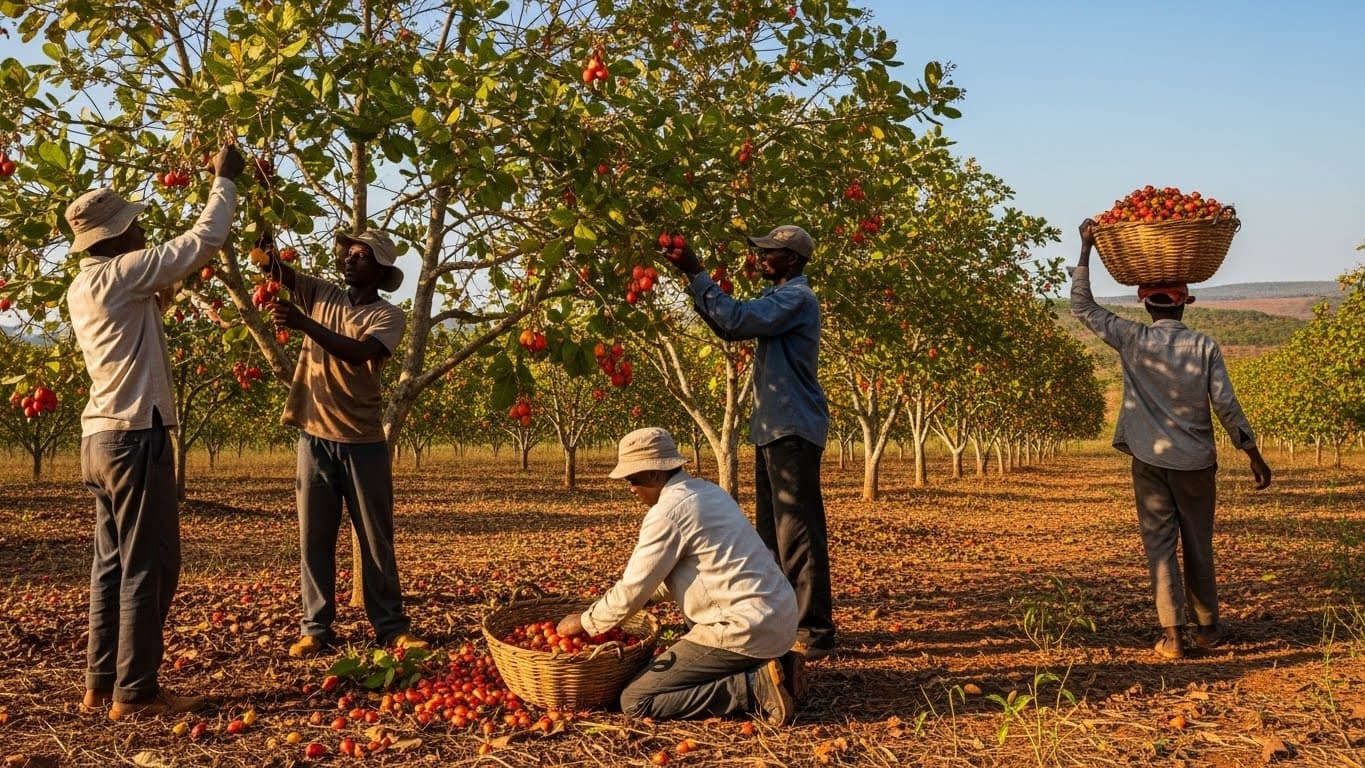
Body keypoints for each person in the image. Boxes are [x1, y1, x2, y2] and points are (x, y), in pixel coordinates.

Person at [65, 144, 245, 720]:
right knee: (152, 564)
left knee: (111, 566)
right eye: (134, 226)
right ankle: (137, 692)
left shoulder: (85, 286)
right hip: (135, 436)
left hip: (99, 439)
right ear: (114, 239)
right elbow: (202, 242)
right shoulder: (123, 273)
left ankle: (100, 684)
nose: (141, 231)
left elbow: (151, 298)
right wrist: (224, 181)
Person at [1071, 219, 1273, 659]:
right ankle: (1208, 629)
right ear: (1185, 306)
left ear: (1146, 306)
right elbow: (1225, 405)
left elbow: (1083, 307)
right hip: (1197, 463)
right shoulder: (1204, 347)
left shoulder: (1131, 338)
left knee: (1160, 544)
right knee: (1198, 543)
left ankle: (1174, 636)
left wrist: (1085, 248)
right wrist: (1251, 452)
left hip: (1149, 459)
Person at [664, 225, 836, 660]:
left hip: (792, 428)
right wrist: (694, 278)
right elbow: (729, 325)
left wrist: (695, 271)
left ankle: (814, 631)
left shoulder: (796, 298)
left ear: (793, 260)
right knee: (772, 535)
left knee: (795, 532)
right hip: (774, 428)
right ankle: (780, 622)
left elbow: (736, 320)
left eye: (770, 252)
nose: (760, 258)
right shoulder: (778, 300)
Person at [557, 427, 803, 723]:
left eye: (633, 479)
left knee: (636, 700)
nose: (631, 488)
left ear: (655, 474)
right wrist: (644, 601)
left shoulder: (668, 513)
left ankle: (752, 688)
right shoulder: (709, 492)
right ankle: (780, 667)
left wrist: (584, 622)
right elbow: (689, 572)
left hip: (743, 627)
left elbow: (633, 587)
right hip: (780, 616)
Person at [257, 228, 427, 657]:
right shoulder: (321, 292)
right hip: (314, 438)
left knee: (375, 539)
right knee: (314, 538)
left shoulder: (389, 316)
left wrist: (302, 323)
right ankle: (315, 627)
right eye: (349, 254)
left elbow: (357, 352)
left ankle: (390, 627)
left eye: (362, 256)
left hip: (362, 440)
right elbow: (273, 267)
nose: (350, 260)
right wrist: (264, 223)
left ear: (381, 270)